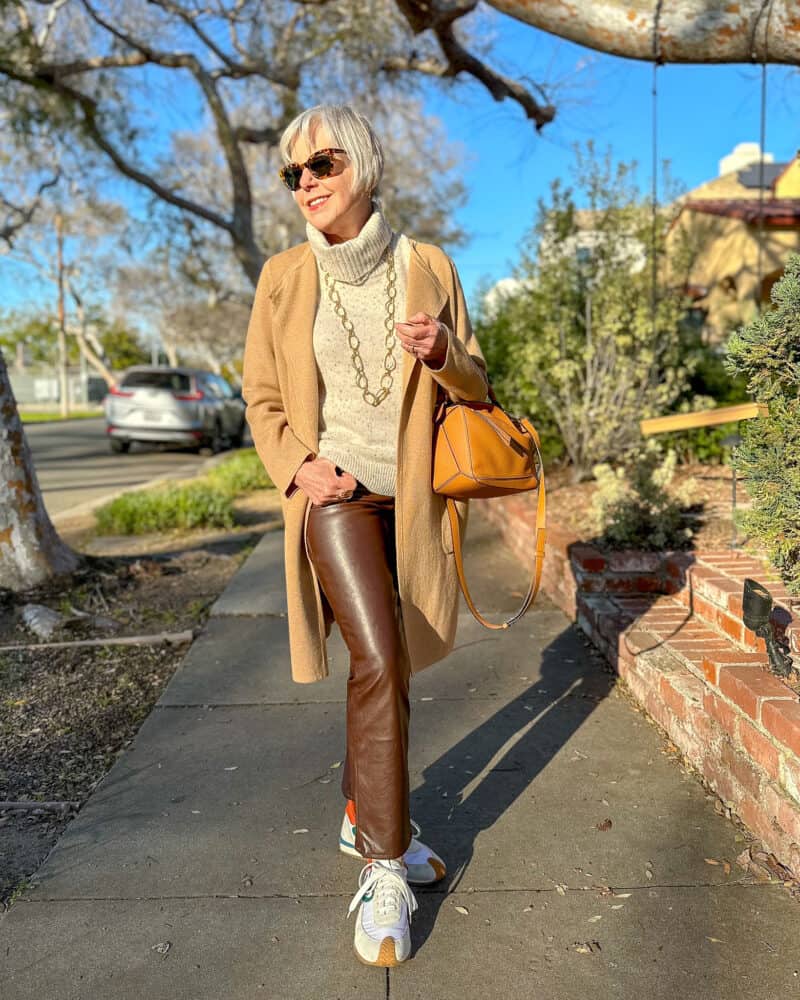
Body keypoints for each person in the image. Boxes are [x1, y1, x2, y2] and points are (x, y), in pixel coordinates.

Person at [242, 103, 489, 968]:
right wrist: (299, 469)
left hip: (412, 498)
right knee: (379, 658)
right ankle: (385, 865)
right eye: (294, 174)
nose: (306, 183)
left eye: (324, 165)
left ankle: (367, 816)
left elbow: (478, 381)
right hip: (336, 493)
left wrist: (444, 352)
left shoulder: (429, 265)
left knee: (396, 659)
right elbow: (263, 400)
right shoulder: (281, 278)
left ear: (367, 167)